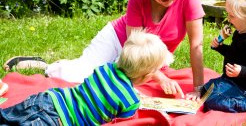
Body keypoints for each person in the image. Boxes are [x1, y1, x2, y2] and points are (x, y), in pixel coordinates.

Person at [4, 0, 205, 99]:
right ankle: (47, 66)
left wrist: (197, 89)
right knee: (84, 78)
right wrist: (159, 77)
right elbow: (133, 48)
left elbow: (196, 44)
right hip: (123, 42)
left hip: (152, 53)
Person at [0, 30, 174, 125]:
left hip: (46, 99)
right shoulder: (130, 102)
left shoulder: (107, 67)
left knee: (5, 116)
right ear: (148, 76)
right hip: (56, 121)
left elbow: (111, 86)